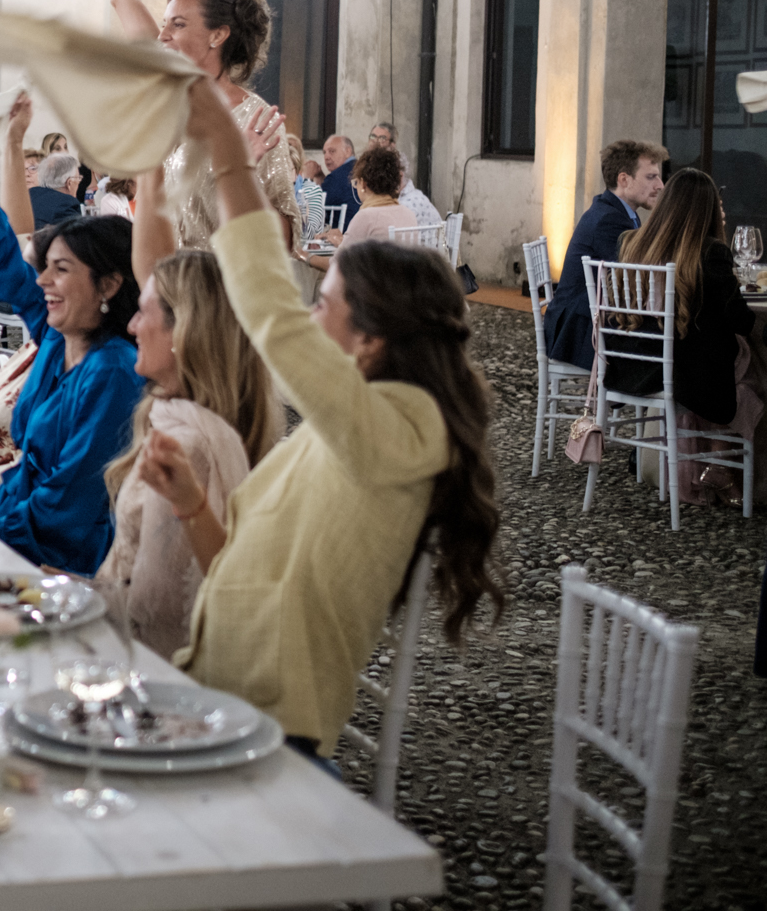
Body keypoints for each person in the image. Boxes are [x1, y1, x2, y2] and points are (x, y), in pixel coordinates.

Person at [138, 78, 503, 761]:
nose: (308, 315)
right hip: (221, 691)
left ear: (370, 340)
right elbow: (239, 567)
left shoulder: (403, 430)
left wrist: (230, 159)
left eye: (324, 304)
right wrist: (190, 503)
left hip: (277, 726)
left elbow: (271, 313)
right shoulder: (341, 425)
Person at [0, 106, 144, 575]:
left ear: (109, 285)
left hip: (63, 566)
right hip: (15, 531)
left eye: (61, 269)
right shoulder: (56, 337)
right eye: (45, 267)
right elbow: (1, 267)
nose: (43, 281)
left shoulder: (113, 372)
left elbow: (64, 507)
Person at [96, 165, 278, 657]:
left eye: (144, 313)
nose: (131, 325)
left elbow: (153, 616)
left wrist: (71, 603)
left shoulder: (189, 445)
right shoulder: (176, 413)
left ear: (184, 333)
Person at [100, 0, 301, 248]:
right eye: (164, 24)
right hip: (160, 275)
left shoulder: (257, 121)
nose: (162, 36)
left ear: (217, 35)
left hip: (218, 279)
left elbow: (284, 240)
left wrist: (242, 171)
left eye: (177, 25)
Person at [601, 167, 761, 505]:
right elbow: (741, 320)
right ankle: (728, 466)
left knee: (724, 351)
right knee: (747, 360)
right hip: (680, 376)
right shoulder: (710, 253)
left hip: (629, 367)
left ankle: (715, 465)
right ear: (707, 211)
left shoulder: (630, 242)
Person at [545, 139, 667, 370]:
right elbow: (635, 283)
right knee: (672, 340)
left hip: (589, 316)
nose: (660, 185)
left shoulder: (619, 212)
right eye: (651, 177)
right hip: (578, 331)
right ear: (624, 180)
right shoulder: (609, 220)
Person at [332, 145, 419, 251]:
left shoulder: (366, 217)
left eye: (356, 183)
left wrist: (312, 257)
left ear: (363, 184)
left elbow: (341, 258)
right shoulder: (409, 214)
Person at [367, 122, 443, 228]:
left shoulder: (406, 204)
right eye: (373, 136)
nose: (376, 141)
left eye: (382, 138)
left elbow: (385, 233)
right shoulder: (401, 200)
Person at [288, 135, 326, 243]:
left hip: (305, 249)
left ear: (296, 171)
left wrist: (300, 208)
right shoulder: (269, 192)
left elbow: (311, 234)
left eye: (288, 169)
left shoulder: (312, 191)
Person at [29, 151, 84, 227]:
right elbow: (78, 234)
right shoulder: (65, 206)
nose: (78, 183)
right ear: (69, 183)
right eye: (78, 178)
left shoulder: (29, 196)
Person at [318, 134, 360, 228]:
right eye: (324, 152)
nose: (326, 157)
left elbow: (317, 213)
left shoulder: (334, 178)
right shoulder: (365, 170)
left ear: (348, 151)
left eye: (332, 151)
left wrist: (309, 179)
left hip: (344, 233)